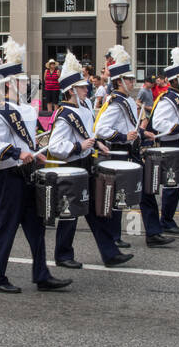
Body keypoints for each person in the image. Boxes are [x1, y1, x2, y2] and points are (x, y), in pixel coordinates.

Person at [0, 39, 71, 294]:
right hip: (9, 178)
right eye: (20, 80)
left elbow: (26, 142)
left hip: (26, 175)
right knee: (7, 229)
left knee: (36, 227)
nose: (26, 83)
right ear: (8, 84)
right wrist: (19, 152)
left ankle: (41, 274)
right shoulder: (0, 110)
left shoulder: (23, 109)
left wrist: (36, 152)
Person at [49, 51, 130, 269]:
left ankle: (110, 253)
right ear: (72, 90)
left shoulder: (83, 107)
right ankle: (63, 255)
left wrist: (96, 144)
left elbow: (88, 135)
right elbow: (56, 147)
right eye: (83, 87)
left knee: (96, 211)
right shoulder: (64, 114)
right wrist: (78, 146)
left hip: (86, 164)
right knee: (70, 214)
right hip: (72, 166)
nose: (87, 89)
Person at [96, 44, 173, 248]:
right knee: (117, 197)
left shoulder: (128, 101)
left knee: (146, 192)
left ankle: (153, 234)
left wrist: (141, 132)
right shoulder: (116, 102)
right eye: (129, 79)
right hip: (119, 154)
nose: (132, 81)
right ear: (120, 81)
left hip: (132, 151)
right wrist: (123, 135)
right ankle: (113, 237)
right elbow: (102, 129)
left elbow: (129, 126)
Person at [148, 47, 179, 235]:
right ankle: (166, 220)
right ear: (175, 79)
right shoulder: (167, 99)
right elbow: (158, 123)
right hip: (171, 144)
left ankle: (169, 218)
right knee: (172, 184)